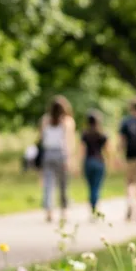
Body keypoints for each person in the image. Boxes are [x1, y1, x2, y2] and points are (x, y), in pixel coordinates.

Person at [39, 96, 76, 224]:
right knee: (63, 184)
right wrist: (70, 159)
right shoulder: (68, 121)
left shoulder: (45, 120)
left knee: (48, 183)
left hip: (48, 153)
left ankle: (49, 211)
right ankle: (64, 211)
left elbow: (42, 138)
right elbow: (68, 142)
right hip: (61, 154)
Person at [80, 111, 109, 218]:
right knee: (96, 187)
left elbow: (82, 150)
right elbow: (107, 150)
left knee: (91, 187)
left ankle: (92, 208)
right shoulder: (102, 134)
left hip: (88, 162)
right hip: (99, 162)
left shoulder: (85, 134)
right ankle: (95, 208)